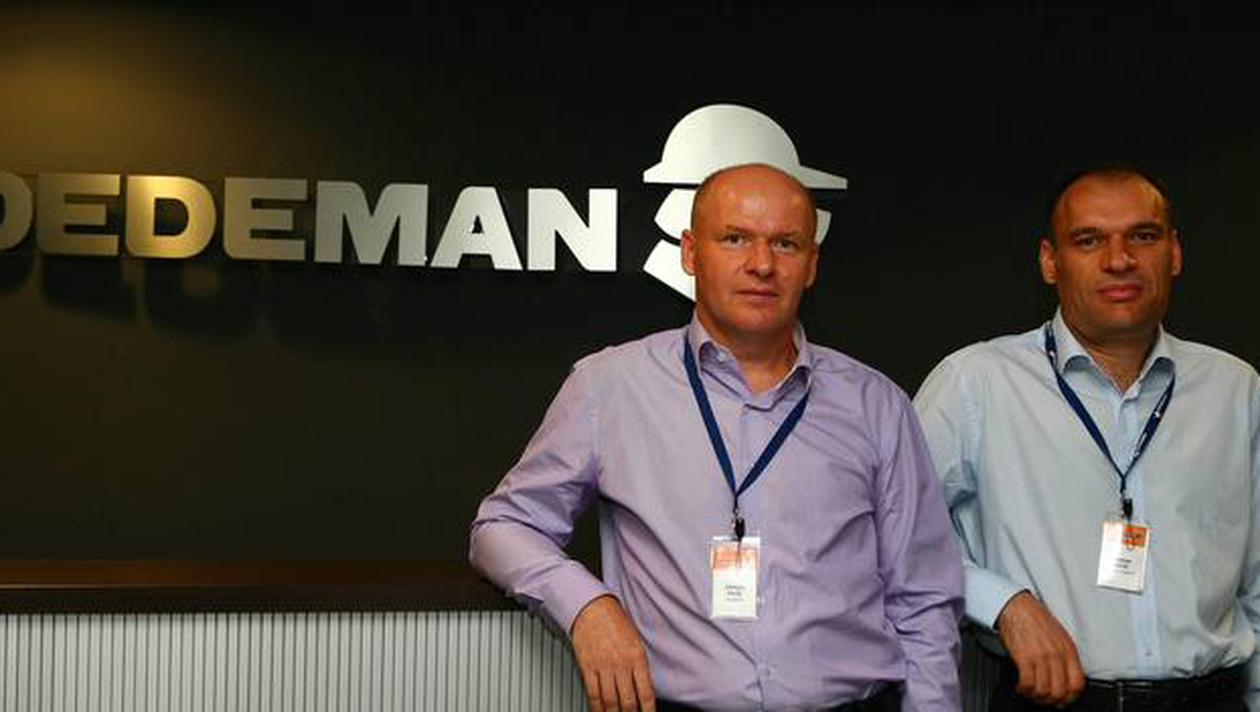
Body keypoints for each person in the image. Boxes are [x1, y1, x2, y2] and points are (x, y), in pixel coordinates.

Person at [471, 163, 963, 712]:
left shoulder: (877, 405)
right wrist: (586, 606)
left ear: (812, 265)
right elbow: (502, 527)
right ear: (690, 253)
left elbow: (924, 600)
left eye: (786, 243)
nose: (762, 264)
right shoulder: (608, 388)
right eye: (735, 238)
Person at [914, 167, 1260, 711]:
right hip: (1054, 703)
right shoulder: (976, 383)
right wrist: (1005, 605)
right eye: (1089, 240)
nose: (1119, 260)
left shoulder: (1235, 389)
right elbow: (896, 543)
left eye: (1142, 236)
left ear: (1174, 253)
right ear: (1050, 262)